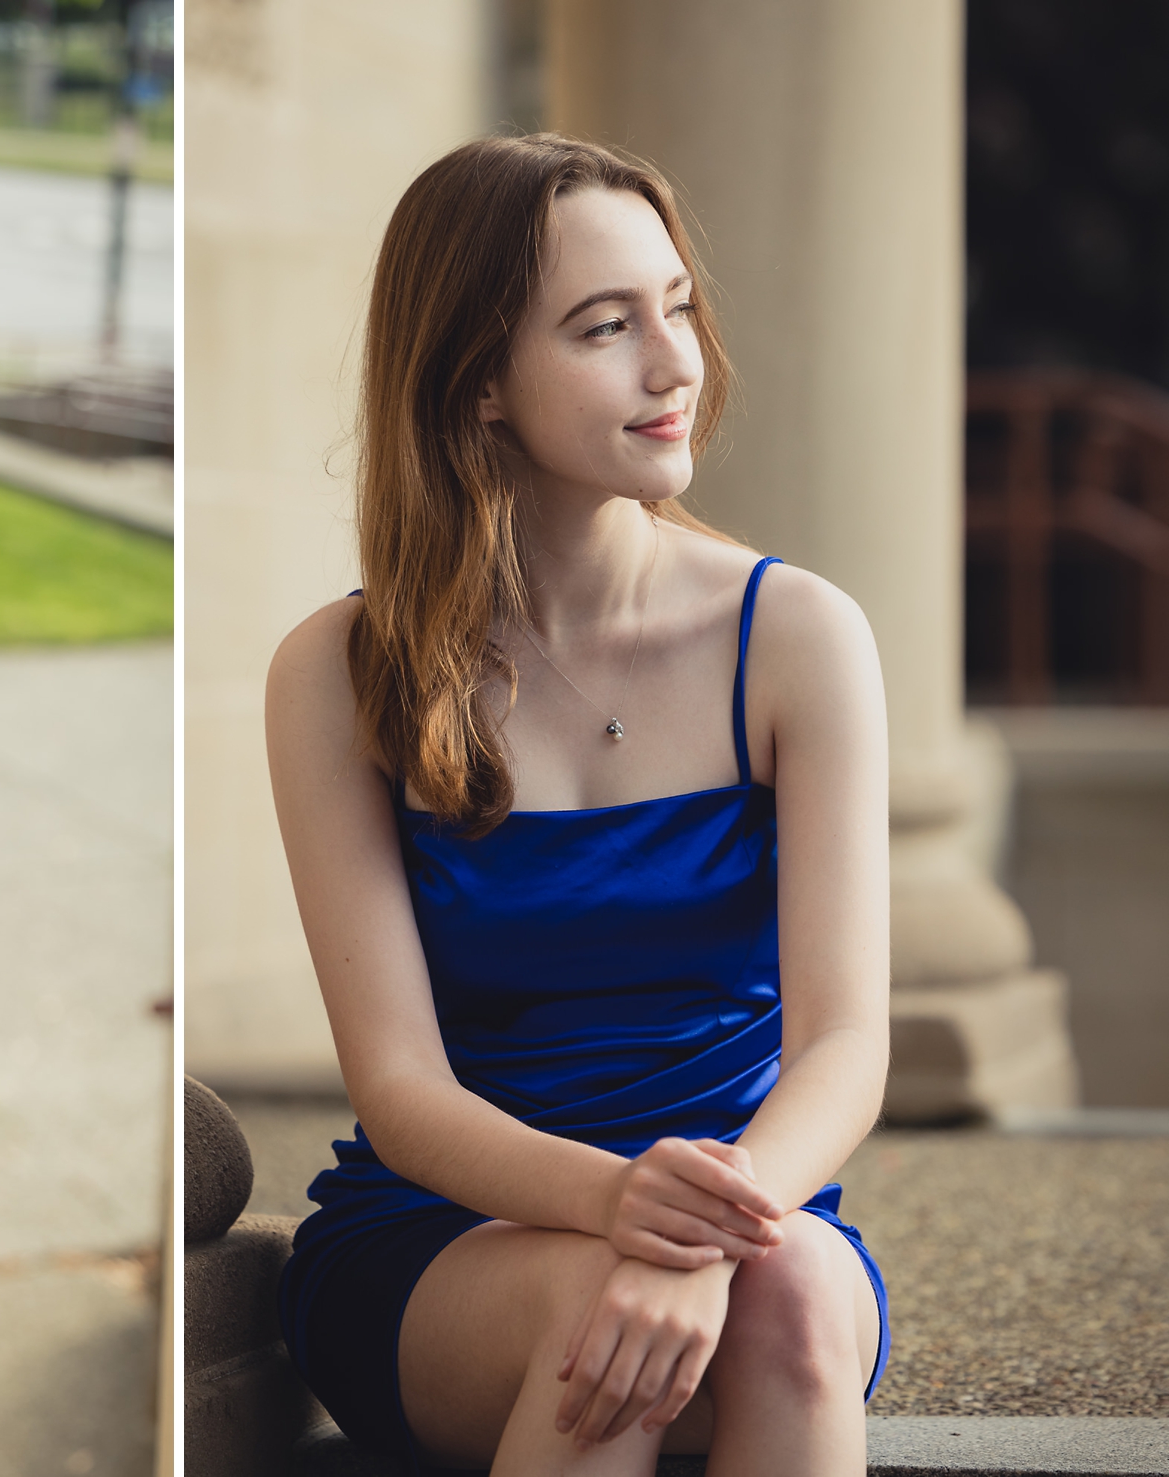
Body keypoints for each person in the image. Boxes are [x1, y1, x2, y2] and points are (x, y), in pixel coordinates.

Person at [265, 134, 891, 1475]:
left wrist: (703, 1228)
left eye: (677, 310)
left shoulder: (798, 634)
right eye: (606, 328)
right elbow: (401, 1091)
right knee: (587, 1336)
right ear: (479, 378)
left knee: (790, 1303)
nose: (675, 365)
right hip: (449, 1237)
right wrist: (619, 1210)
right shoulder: (338, 673)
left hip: (759, 1213)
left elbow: (846, 1043)